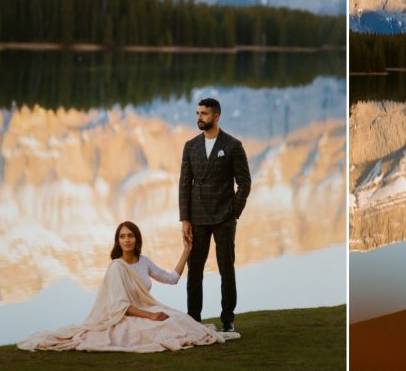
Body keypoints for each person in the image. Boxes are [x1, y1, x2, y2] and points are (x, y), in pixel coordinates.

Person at [17, 221, 239, 352]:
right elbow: (121, 305)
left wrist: (187, 251)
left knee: (180, 319)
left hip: (147, 309)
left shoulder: (144, 261)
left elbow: (171, 278)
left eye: (130, 236)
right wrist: (150, 317)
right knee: (162, 327)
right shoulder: (116, 268)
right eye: (122, 236)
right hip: (127, 316)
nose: (126, 240)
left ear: (136, 239)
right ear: (118, 241)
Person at [180, 97, 251, 333]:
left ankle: (228, 320)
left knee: (226, 270)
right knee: (194, 272)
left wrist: (234, 212)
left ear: (216, 116)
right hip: (197, 219)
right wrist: (185, 219)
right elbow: (184, 185)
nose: (199, 117)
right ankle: (193, 320)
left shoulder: (232, 145)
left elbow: (245, 183)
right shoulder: (190, 146)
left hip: (224, 218)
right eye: (198, 113)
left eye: (204, 114)